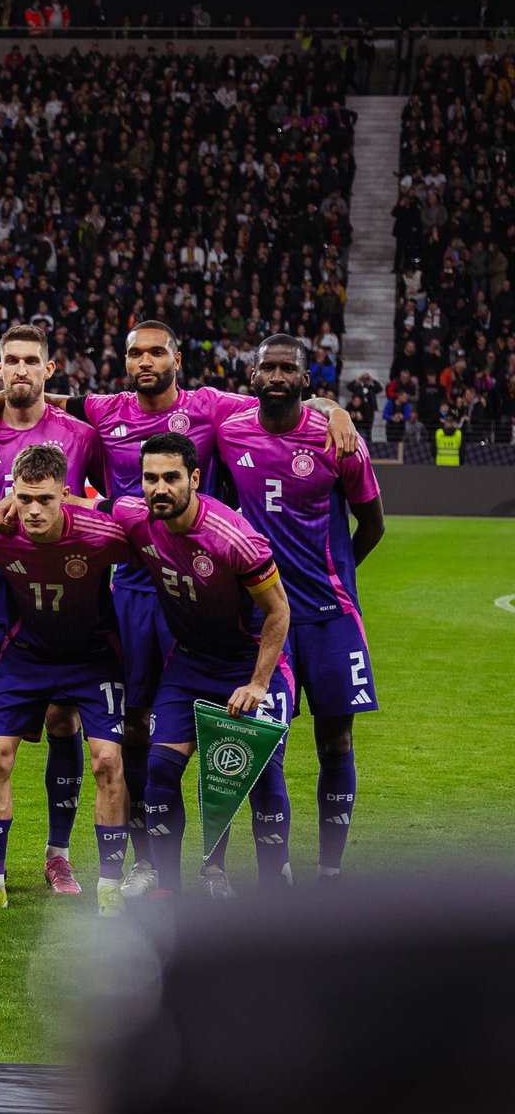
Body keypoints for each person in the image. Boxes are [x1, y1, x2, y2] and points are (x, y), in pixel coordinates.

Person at [0, 321, 353, 901]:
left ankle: (238, 870)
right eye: (135, 352)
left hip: (204, 577)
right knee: (138, 727)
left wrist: (331, 406)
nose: (145, 361)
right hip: (135, 582)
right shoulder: (106, 410)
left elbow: (279, 394)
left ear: (176, 357)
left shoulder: (208, 407)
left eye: (156, 352)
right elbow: (41, 394)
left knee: (241, 750)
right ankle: (147, 863)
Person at [0, 323, 107, 898]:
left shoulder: (81, 436)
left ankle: (57, 855)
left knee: (65, 720)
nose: (19, 369)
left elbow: (104, 507)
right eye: (9, 360)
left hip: (61, 601)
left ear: (48, 369)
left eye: (29, 361)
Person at [217, 336, 385, 883]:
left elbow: (374, 523)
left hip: (331, 618)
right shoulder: (229, 430)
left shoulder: (338, 441)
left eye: (288, 367)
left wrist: (336, 579)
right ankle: (277, 871)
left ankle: (330, 872)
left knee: (336, 739)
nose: (277, 374)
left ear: (306, 380)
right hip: (267, 620)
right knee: (266, 746)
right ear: (252, 375)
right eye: (267, 366)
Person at [99, 432, 294, 897]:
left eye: (171, 477)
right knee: (161, 769)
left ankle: (275, 885)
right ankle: (170, 891)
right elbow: (88, 506)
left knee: (258, 771)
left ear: (195, 478)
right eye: (150, 478)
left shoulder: (235, 539)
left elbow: (279, 611)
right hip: (188, 667)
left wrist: (258, 684)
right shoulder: (137, 516)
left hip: (249, 668)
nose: (159, 488)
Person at [0, 445, 131, 916]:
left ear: (66, 495)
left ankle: (109, 885)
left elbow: (152, 538)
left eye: (46, 500)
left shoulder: (101, 534)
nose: (34, 510)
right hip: (25, 657)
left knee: (107, 763)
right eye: (25, 498)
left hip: (92, 658)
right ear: (11, 494)